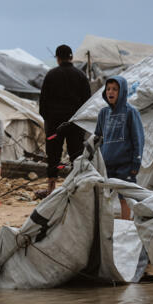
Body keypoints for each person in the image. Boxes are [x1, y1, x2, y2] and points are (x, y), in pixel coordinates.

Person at [38, 43, 92, 198]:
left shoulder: (51, 75)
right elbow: (87, 102)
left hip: (54, 124)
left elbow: (43, 103)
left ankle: (51, 189)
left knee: (53, 155)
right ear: (71, 57)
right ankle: (76, 188)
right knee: (76, 154)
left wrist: (48, 119)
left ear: (57, 58)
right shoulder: (80, 76)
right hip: (75, 123)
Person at [94, 76, 144, 219]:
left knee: (125, 198)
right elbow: (98, 136)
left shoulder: (130, 112)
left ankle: (126, 225)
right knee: (104, 197)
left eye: (115, 89)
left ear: (122, 92)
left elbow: (138, 138)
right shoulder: (104, 113)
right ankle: (105, 227)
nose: (111, 92)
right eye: (108, 89)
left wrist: (136, 162)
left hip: (125, 164)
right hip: (106, 164)